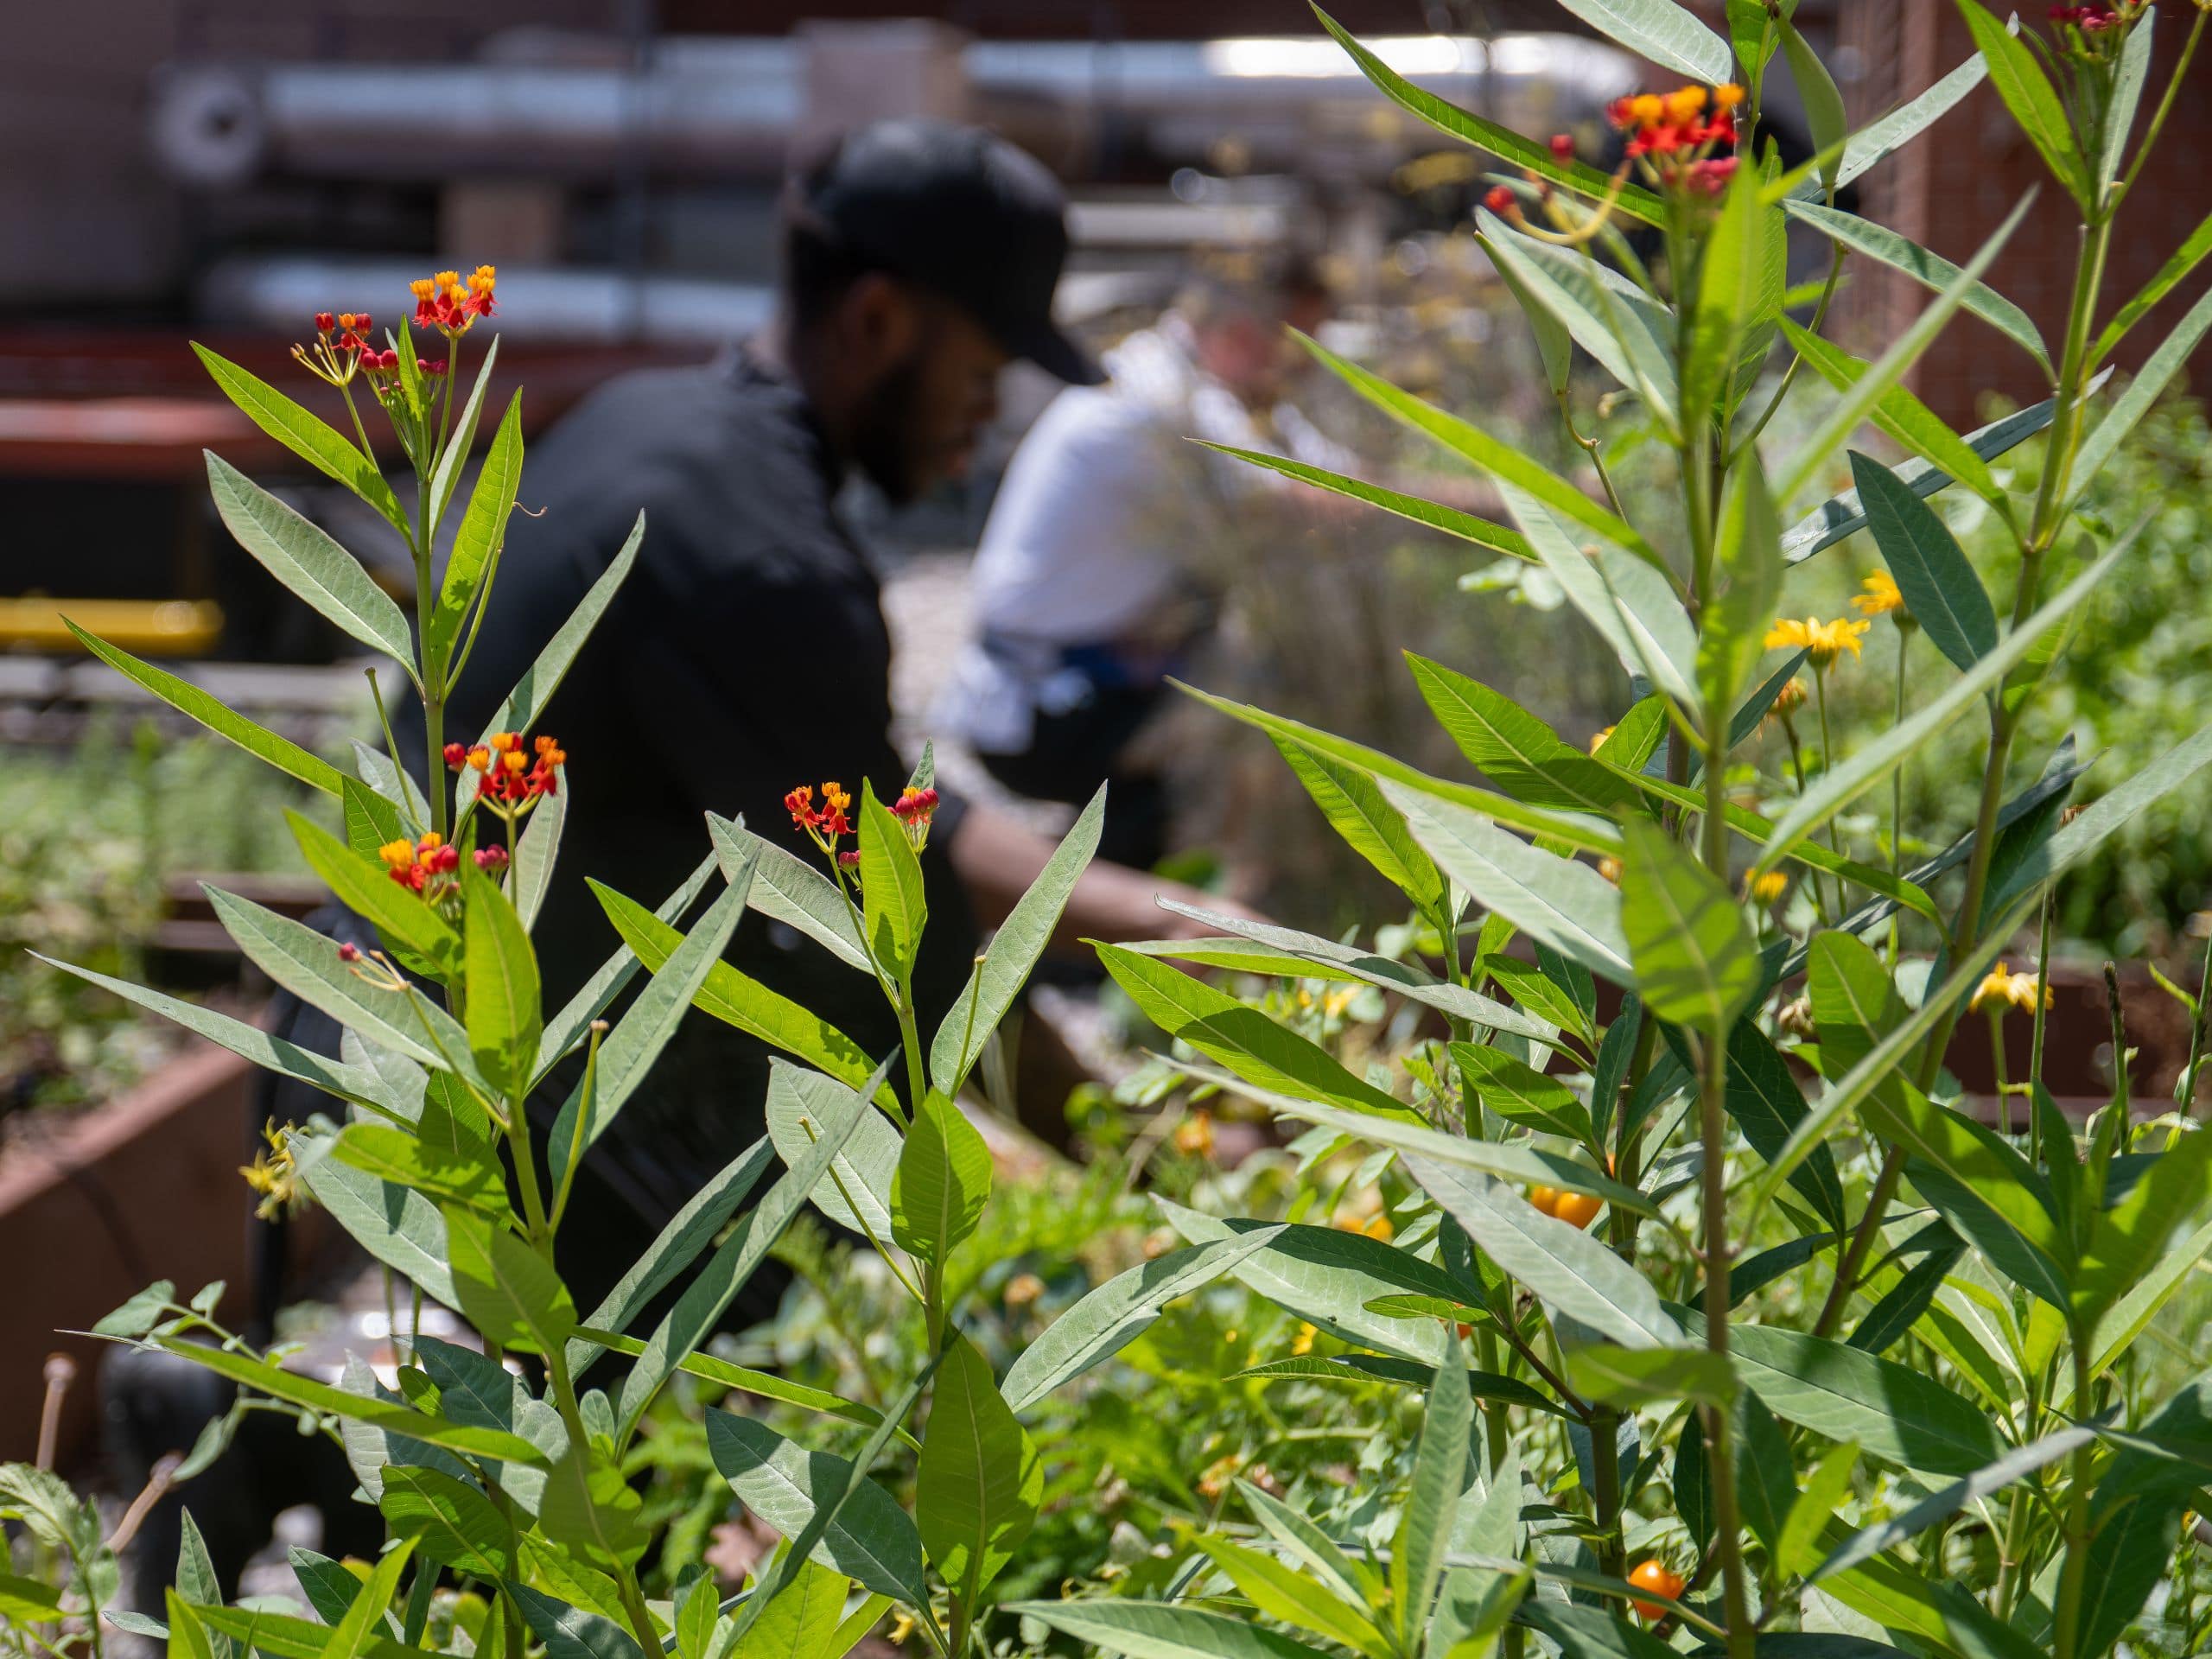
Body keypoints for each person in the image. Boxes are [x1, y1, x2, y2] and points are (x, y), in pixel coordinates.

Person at [386, 118, 1240, 1321]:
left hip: (409, 1047)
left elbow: (878, 816)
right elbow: (915, 958)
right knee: (804, 1359)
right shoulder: (764, 566)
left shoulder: (655, 429)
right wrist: (1167, 1171)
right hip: (519, 1123)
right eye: (984, 376)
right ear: (882, 321)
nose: (980, 427)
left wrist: (1194, 930)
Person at [936, 249, 1348, 869]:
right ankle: (1137, 918)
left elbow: (1338, 477)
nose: (1307, 372)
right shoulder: (1154, 402)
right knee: (1267, 725)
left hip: (1094, 679)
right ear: (1241, 334)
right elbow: (1306, 500)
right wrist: (1491, 509)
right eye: (1304, 348)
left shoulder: (1217, 390)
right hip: (1042, 708)